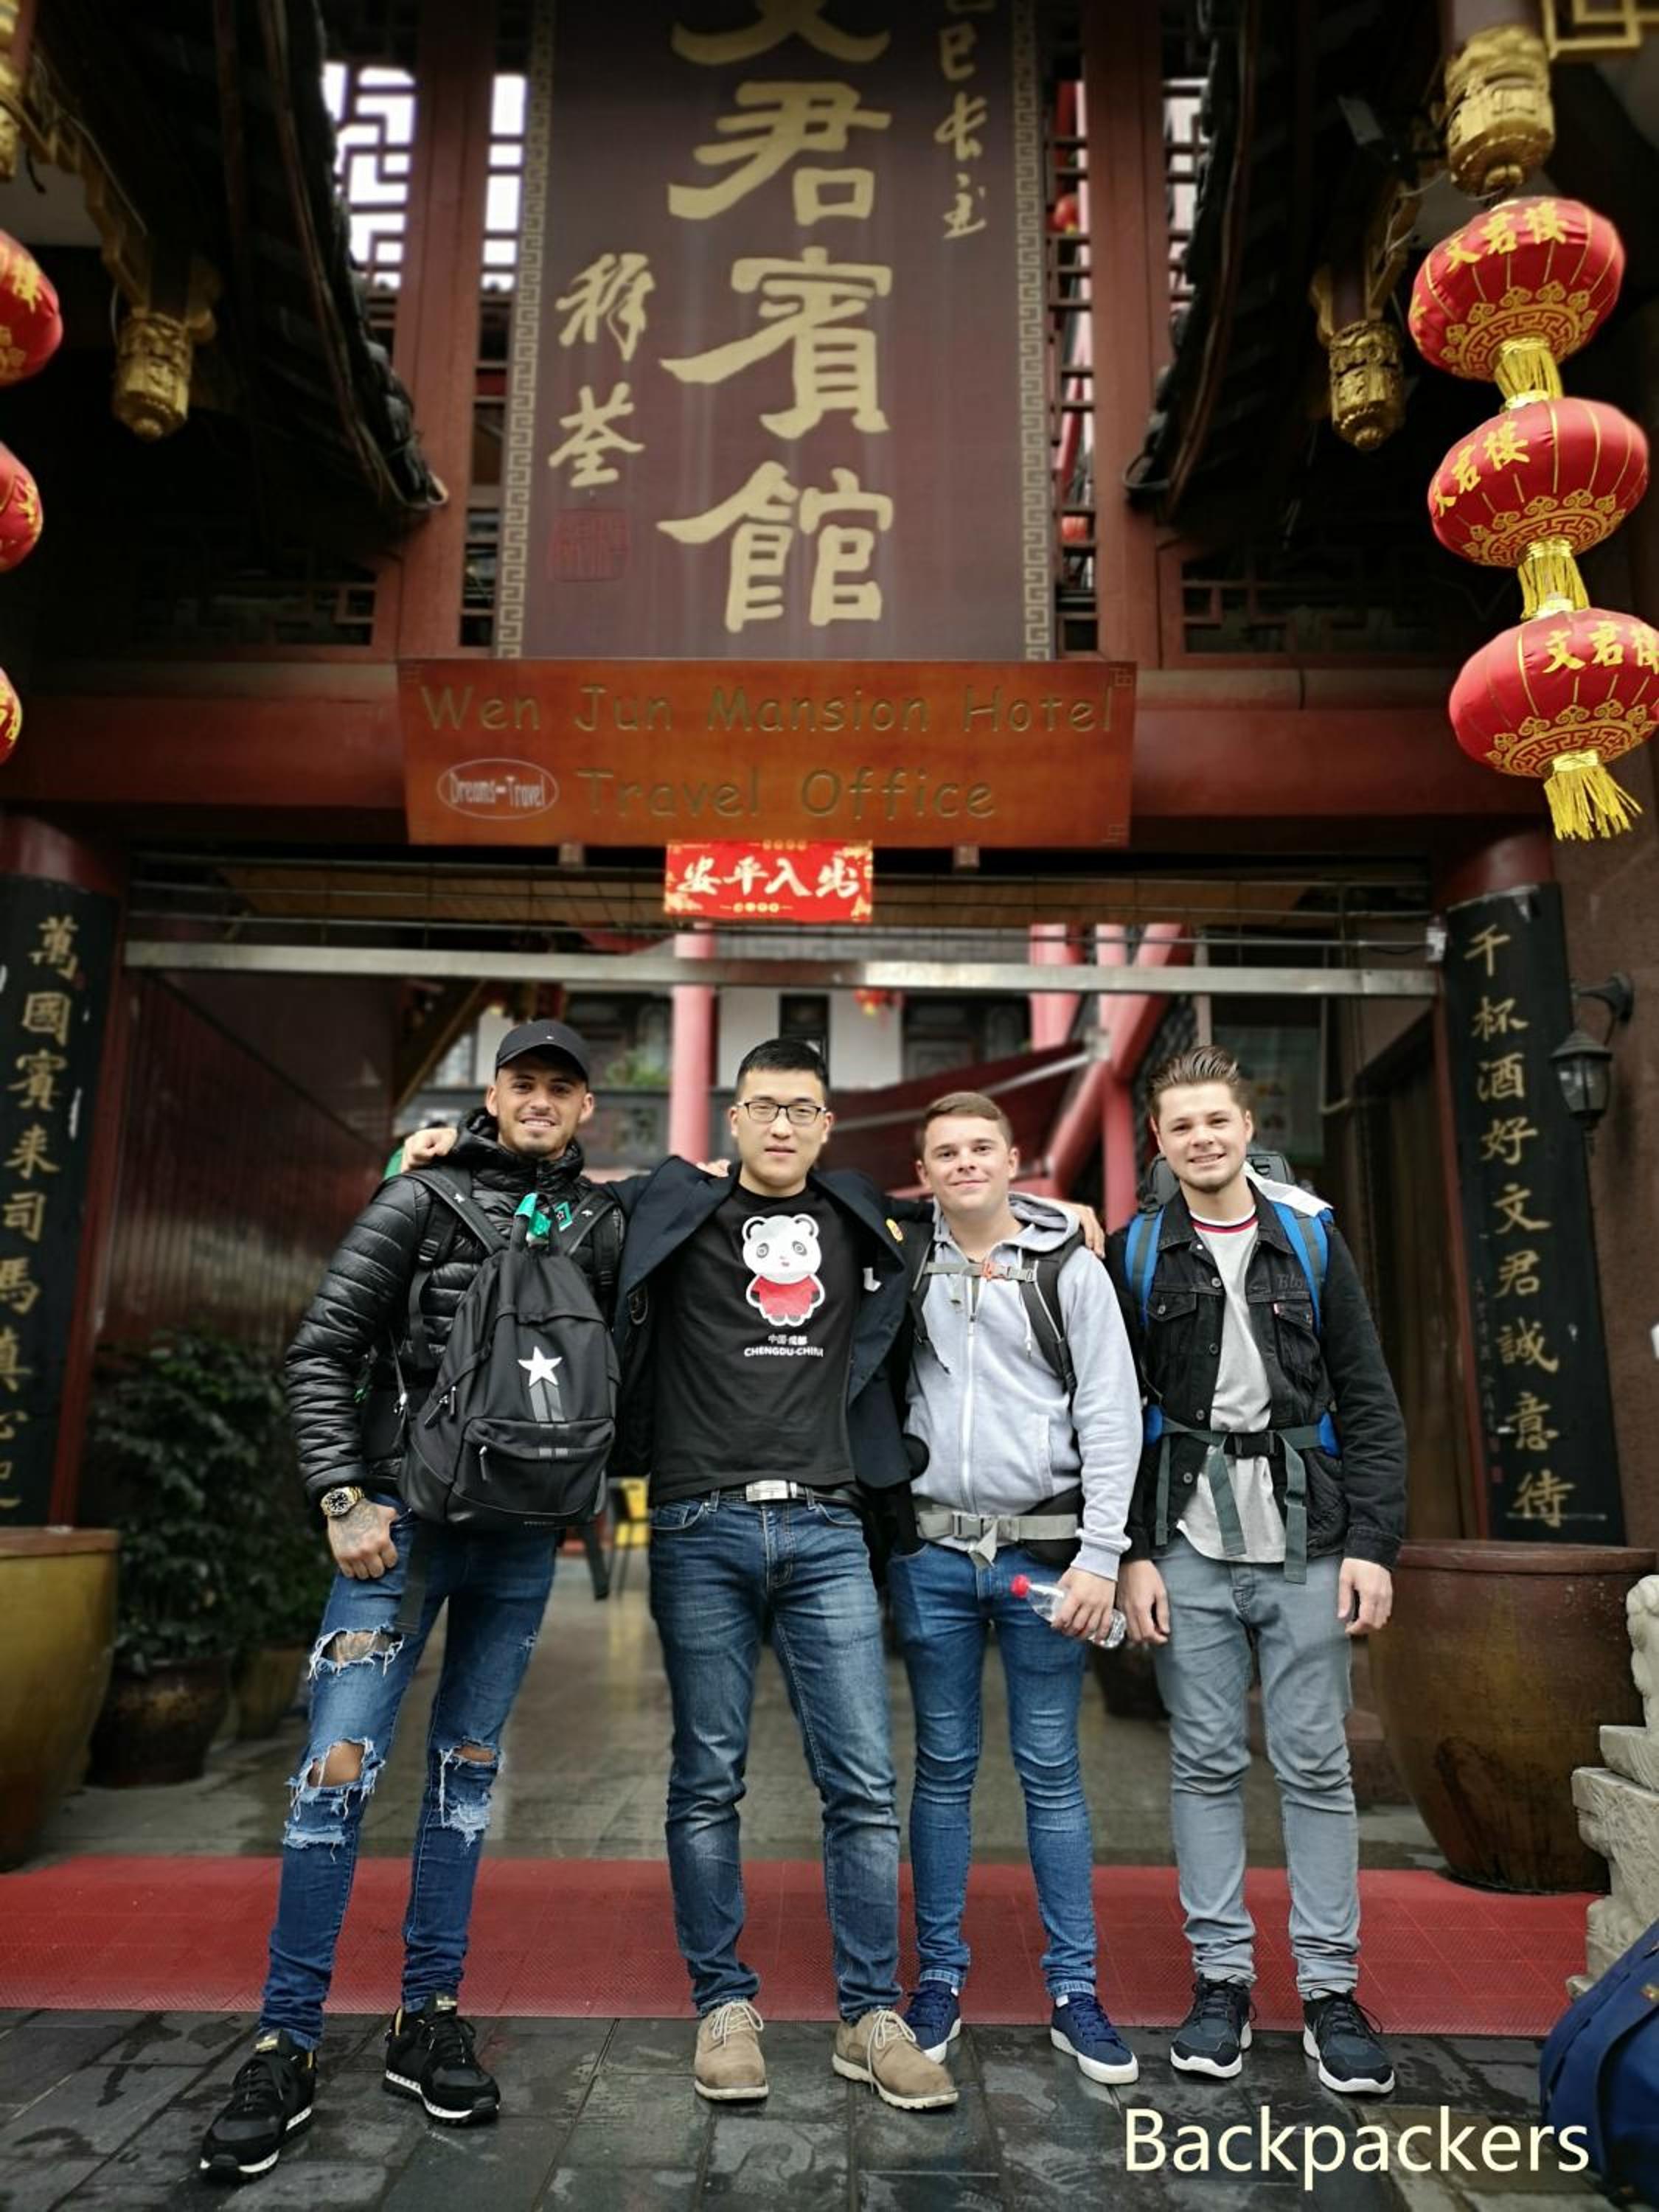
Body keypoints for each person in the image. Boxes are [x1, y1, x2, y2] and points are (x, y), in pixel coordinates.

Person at [199, 1019, 623, 2183]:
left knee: (466, 1781)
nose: (540, 1101)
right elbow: (321, 1348)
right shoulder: (418, 1199)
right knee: (332, 1778)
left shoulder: (604, 1224)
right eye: (523, 1082)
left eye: (561, 1088)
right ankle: (285, 2040)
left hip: (520, 1539)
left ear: (586, 1108)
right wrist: (342, 1497)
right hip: (393, 1528)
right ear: (495, 1090)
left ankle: (425, 2015)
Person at [612, 1038, 956, 2111]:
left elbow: (963, 1205)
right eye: (762, 1107)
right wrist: (454, 1150)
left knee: (861, 1782)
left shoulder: (858, 1216)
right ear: (732, 1117)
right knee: (706, 1778)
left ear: (825, 1125)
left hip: (827, 1529)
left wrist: (1064, 1213)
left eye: (801, 1110)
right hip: (696, 1524)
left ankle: (869, 2015)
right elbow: (556, 1199)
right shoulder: (672, 1207)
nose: (780, 1126)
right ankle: (723, 2004)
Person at [1108, 1045, 1405, 2098]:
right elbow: (1114, 1414)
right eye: (1180, 1125)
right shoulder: (1136, 1251)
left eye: (1216, 1121)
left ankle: (1329, 1990)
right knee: (1202, 1762)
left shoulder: (1311, 1238)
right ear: (1159, 1140)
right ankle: (1221, 1980)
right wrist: (1129, 1552)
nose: (1200, 1139)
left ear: (1246, 1127)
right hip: (1185, 1538)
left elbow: (1367, 1398)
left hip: (1307, 1537)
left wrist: (1373, 1544)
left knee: (1315, 1764)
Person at [889, 1093, 1143, 2085]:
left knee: (1051, 1768)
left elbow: (1111, 1413)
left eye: (980, 1148)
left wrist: (1102, 1555)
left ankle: (1075, 1991)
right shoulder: (901, 1261)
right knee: (942, 1767)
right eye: (945, 1152)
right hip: (934, 1552)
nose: (964, 1163)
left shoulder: (1069, 1266)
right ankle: (938, 1979)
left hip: (1047, 1555)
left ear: (1012, 1157)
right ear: (923, 1172)